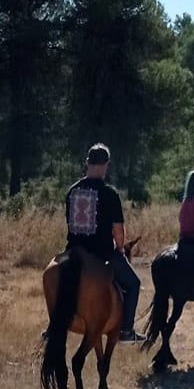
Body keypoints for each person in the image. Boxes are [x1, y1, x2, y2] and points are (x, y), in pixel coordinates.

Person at [63, 143, 143, 342]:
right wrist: (120, 249)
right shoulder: (109, 193)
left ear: (87, 163)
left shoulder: (72, 191)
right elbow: (117, 228)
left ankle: (53, 325)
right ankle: (126, 331)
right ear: (105, 165)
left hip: (73, 251)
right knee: (134, 284)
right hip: (101, 254)